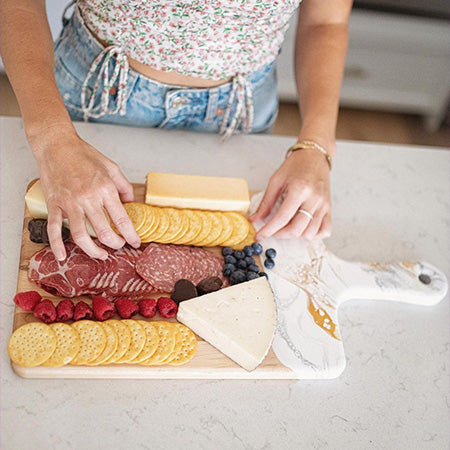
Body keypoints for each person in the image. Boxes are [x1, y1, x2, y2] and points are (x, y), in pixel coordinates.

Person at [0, 0, 352, 261]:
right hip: (97, 91)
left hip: (239, 113)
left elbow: (326, 21)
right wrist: (52, 139)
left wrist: (317, 146)